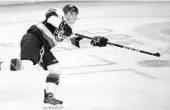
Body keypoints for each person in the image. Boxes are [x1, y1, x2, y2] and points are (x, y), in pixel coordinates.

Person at [20, 4, 108, 107]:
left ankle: (49, 97)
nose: (74, 16)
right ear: (65, 13)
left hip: (44, 48)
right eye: (71, 13)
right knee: (27, 65)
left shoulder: (71, 29)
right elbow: (50, 17)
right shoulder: (58, 14)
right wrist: (62, 25)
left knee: (55, 68)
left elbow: (78, 42)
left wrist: (93, 42)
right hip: (34, 38)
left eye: (75, 14)